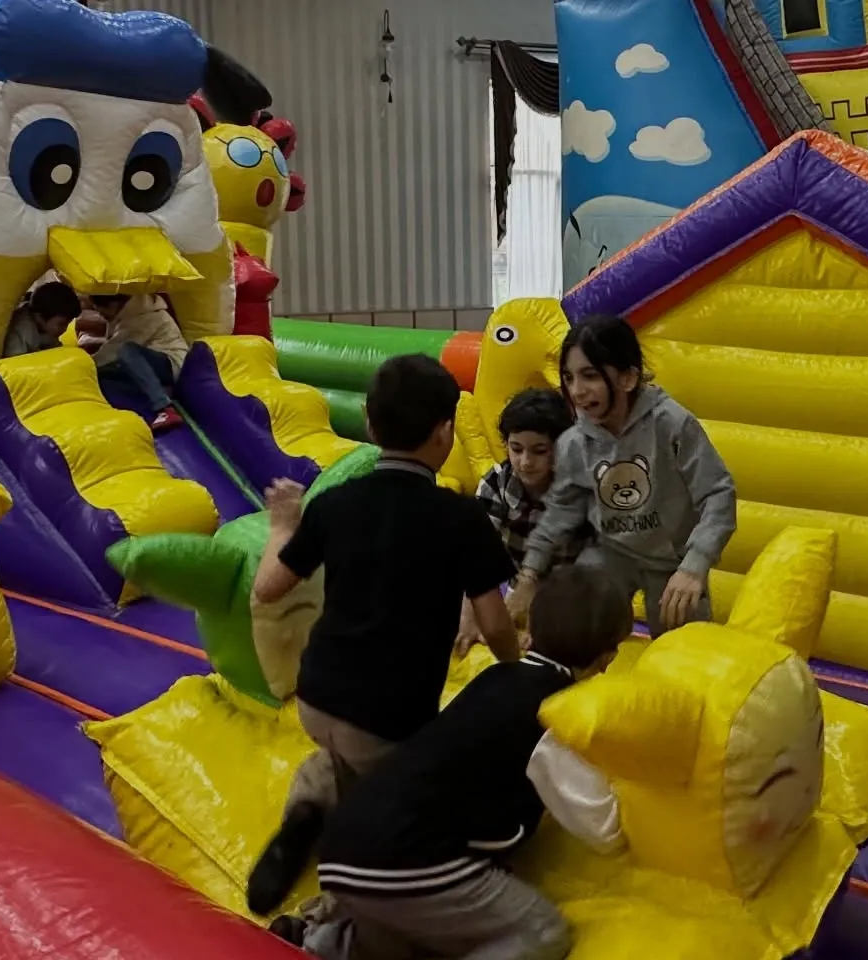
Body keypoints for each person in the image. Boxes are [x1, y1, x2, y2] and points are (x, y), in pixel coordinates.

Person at [247, 353, 522, 915]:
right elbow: (494, 621)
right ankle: (334, 905)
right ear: (444, 432)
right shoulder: (460, 517)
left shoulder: (336, 503)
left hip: (317, 698)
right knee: (416, 809)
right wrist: (516, 671)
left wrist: (282, 526)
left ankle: (306, 810)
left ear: (371, 424)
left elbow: (268, 589)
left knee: (344, 759)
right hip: (387, 722)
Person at [269, 565, 631, 960]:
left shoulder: (496, 677)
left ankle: (320, 942)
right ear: (606, 658)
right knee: (543, 931)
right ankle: (332, 939)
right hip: (404, 862)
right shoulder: (555, 712)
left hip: (346, 848)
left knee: (410, 935)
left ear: (532, 629)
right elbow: (604, 830)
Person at [508, 314, 736, 639]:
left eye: (589, 376)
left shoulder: (671, 424)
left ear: (628, 378)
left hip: (672, 560)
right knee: (575, 610)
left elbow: (718, 494)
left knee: (682, 647)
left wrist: (694, 565)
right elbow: (560, 512)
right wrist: (529, 575)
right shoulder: (575, 443)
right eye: (569, 378)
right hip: (612, 553)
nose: (577, 391)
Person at [457, 387, 585, 653]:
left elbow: (577, 568)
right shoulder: (497, 483)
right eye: (516, 449)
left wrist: (542, 611)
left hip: (570, 590)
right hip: (519, 589)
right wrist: (469, 616)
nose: (526, 462)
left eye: (539, 451)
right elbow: (474, 556)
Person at [86, 292, 189, 432]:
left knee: (126, 351)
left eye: (101, 308)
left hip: (172, 364)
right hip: (147, 365)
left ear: (115, 304)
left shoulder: (145, 317)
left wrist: (82, 365)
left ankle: (164, 407)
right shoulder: (125, 316)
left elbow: (111, 351)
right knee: (104, 374)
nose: (99, 313)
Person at [1, 281, 80, 358]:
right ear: (39, 317)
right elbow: (14, 363)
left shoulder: (44, 324)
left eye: (68, 323)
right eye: (61, 324)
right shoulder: (19, 333)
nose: (65, 329)